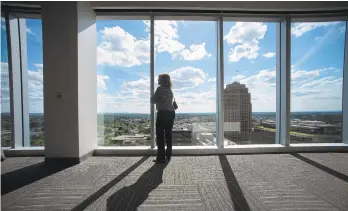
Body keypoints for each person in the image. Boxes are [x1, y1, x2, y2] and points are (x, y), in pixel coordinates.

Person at [150, 74, 175, 163]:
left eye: (159, 79)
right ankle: (168, 156)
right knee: (168, 135)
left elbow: (152, 100)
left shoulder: (160, 89)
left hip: (162, 113)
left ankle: (161, 158)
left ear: (162, 80)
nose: (158, 80)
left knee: (160, 136)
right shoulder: (170, 90)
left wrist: (158, 100)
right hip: (171, 114)